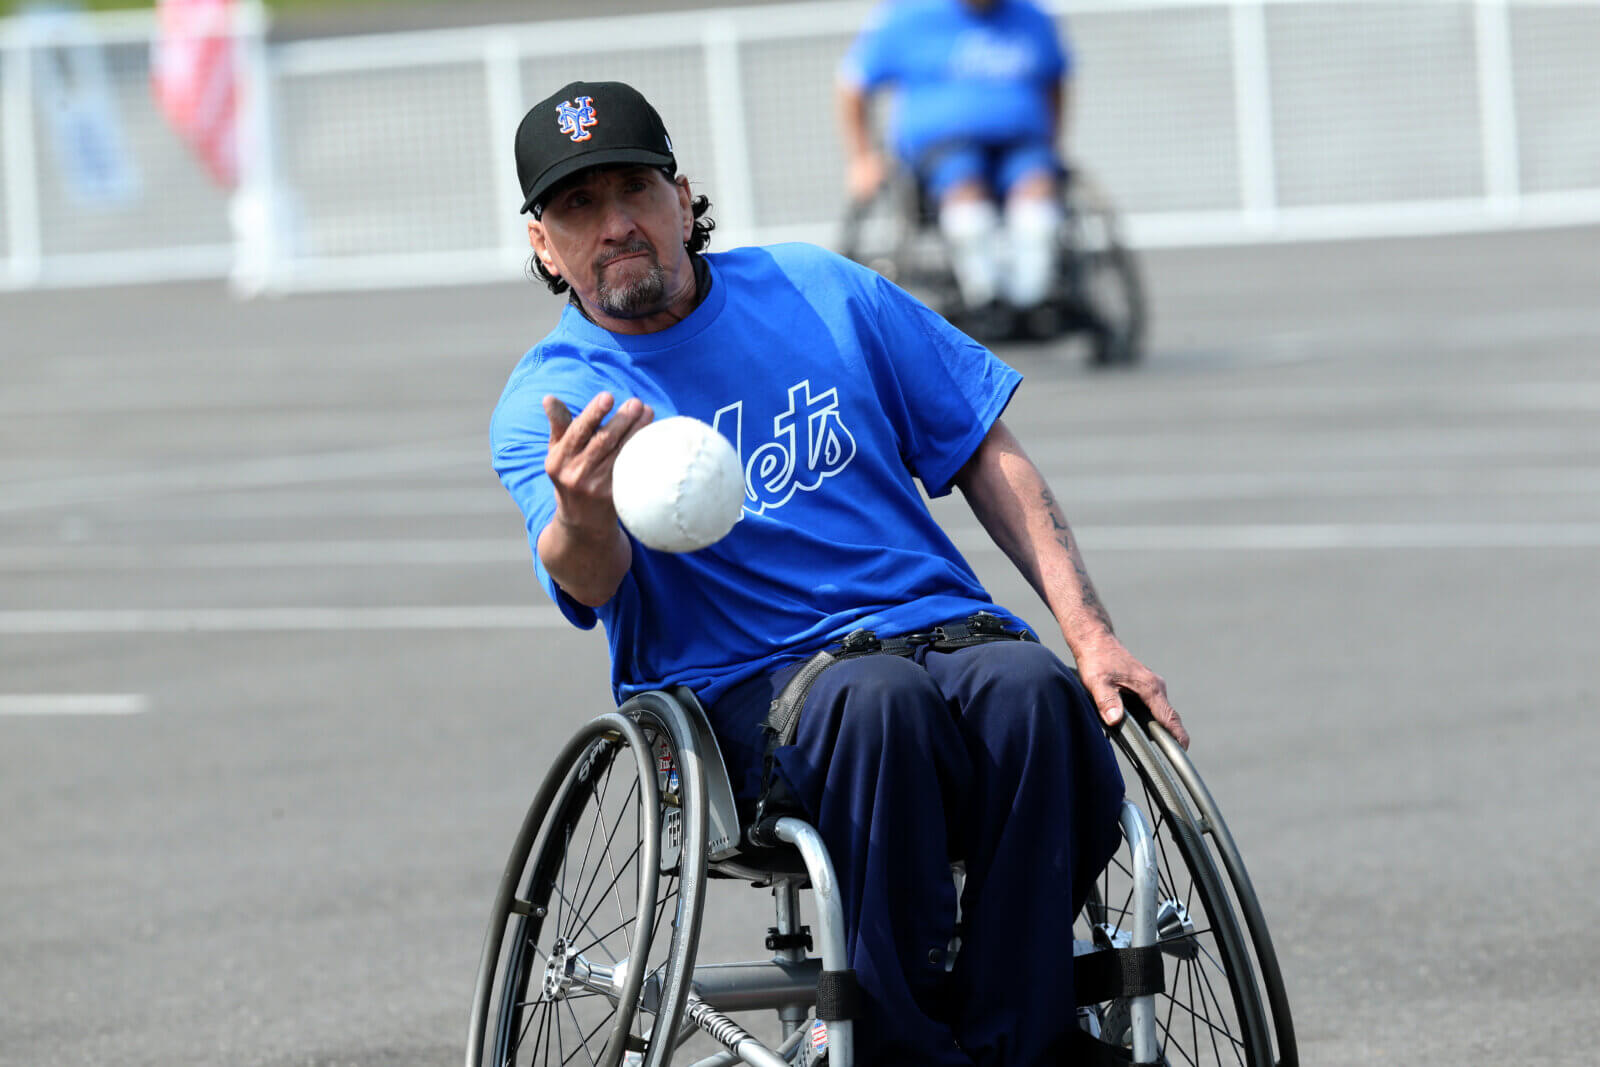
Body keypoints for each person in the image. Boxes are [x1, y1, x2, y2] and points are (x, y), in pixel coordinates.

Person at [491, 79, 1186, 1067]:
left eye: (634, 193)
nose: (615, 227)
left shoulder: (824, 290)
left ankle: (1018, 1036)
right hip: (755, 692)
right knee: (877, 702)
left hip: (941, 632)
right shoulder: (553, 403)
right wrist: (581, 510)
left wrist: (1090, 630)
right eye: (577, 208)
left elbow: (986, 448)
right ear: (542, 246)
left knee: (1036, 689)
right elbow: (587, 580)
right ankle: (901, 1045)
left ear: (682, 197)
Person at [837, 0, 1073, 334]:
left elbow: (1055, 80)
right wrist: (862, 158)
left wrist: (1053, 142)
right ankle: (986, 298)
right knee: (965, 188)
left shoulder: (1031, 16)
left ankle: (1032, 297)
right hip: (943, 149)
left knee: (1037, 187)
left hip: (1021, 145)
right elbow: (853, 85)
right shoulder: (908, 16)